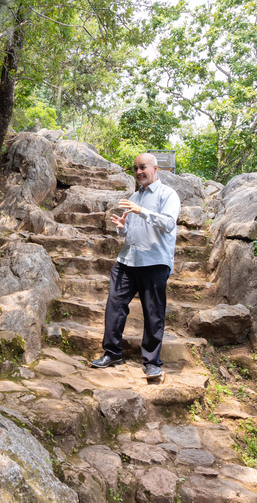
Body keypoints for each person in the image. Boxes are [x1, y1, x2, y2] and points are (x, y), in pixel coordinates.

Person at [91, 153, 181, 380]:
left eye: (143, 167)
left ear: (155, 168)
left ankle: (152, 362)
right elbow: (133, 229)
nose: (139, 172)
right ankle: (112, 353)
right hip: (127, 261)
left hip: (154, 262)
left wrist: (142, 211)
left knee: (153, 313)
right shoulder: (135, 196)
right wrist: (122, 227)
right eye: (135, 168)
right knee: (114, 305)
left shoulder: (168, 194)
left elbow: (169, 224)